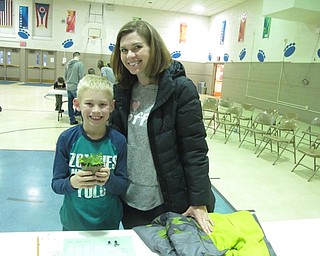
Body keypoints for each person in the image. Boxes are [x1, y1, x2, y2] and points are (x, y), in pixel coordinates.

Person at [109, 20, 215, 234]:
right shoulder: (123, 90)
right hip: (130, 200)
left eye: (137, 47)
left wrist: (199, 201)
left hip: (169, 200)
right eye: (124, 50)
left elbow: (194, 149)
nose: (130, 55)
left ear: (153, 47)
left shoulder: (180, 89)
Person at [51, 75, 128, 231]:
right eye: (89, 104)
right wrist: (72, 182)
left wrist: (109, 180)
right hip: (73, 223)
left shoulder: (119, 141)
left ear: (112, 106)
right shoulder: (66, 139)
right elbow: (56, 184)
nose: (96, 110)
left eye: (102, 104)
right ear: (77, 104)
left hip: (108, 223)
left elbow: (123, 186)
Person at [65, 51, 84, 125]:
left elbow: (65, 76)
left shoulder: (68, 65)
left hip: (68, 86)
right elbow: (81, 77)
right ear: (78, 56)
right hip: (76, 87)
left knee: (70, 104)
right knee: (81, 104)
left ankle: (72, 120)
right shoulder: (79, 64)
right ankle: (84, 121)